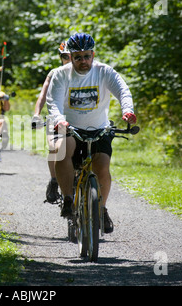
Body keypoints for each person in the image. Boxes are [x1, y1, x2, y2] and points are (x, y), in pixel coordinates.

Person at [46, 32, 137, 234]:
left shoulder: (104, 72)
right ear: (71, 57)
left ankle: (102, 209)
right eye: (78, 57)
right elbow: (53, 102)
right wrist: (60, 120)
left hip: (99, 129)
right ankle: (68, 199)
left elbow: (123, 90)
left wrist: (127, 110)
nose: (83, 61)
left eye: (87, 56)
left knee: (102, 167)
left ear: (93, 54)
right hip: (71, 128)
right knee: (62, 151)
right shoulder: (61, 74)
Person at [33, 41, 71, 204]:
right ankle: (55, 180)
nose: (68, 59)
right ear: (60, 57)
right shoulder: (54, 73)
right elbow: (43, 95)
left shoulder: (86, 73)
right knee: (55, 148)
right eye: (64, 56)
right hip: (56, 118)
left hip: (78, 117)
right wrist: (37, 114)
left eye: (71, 56)